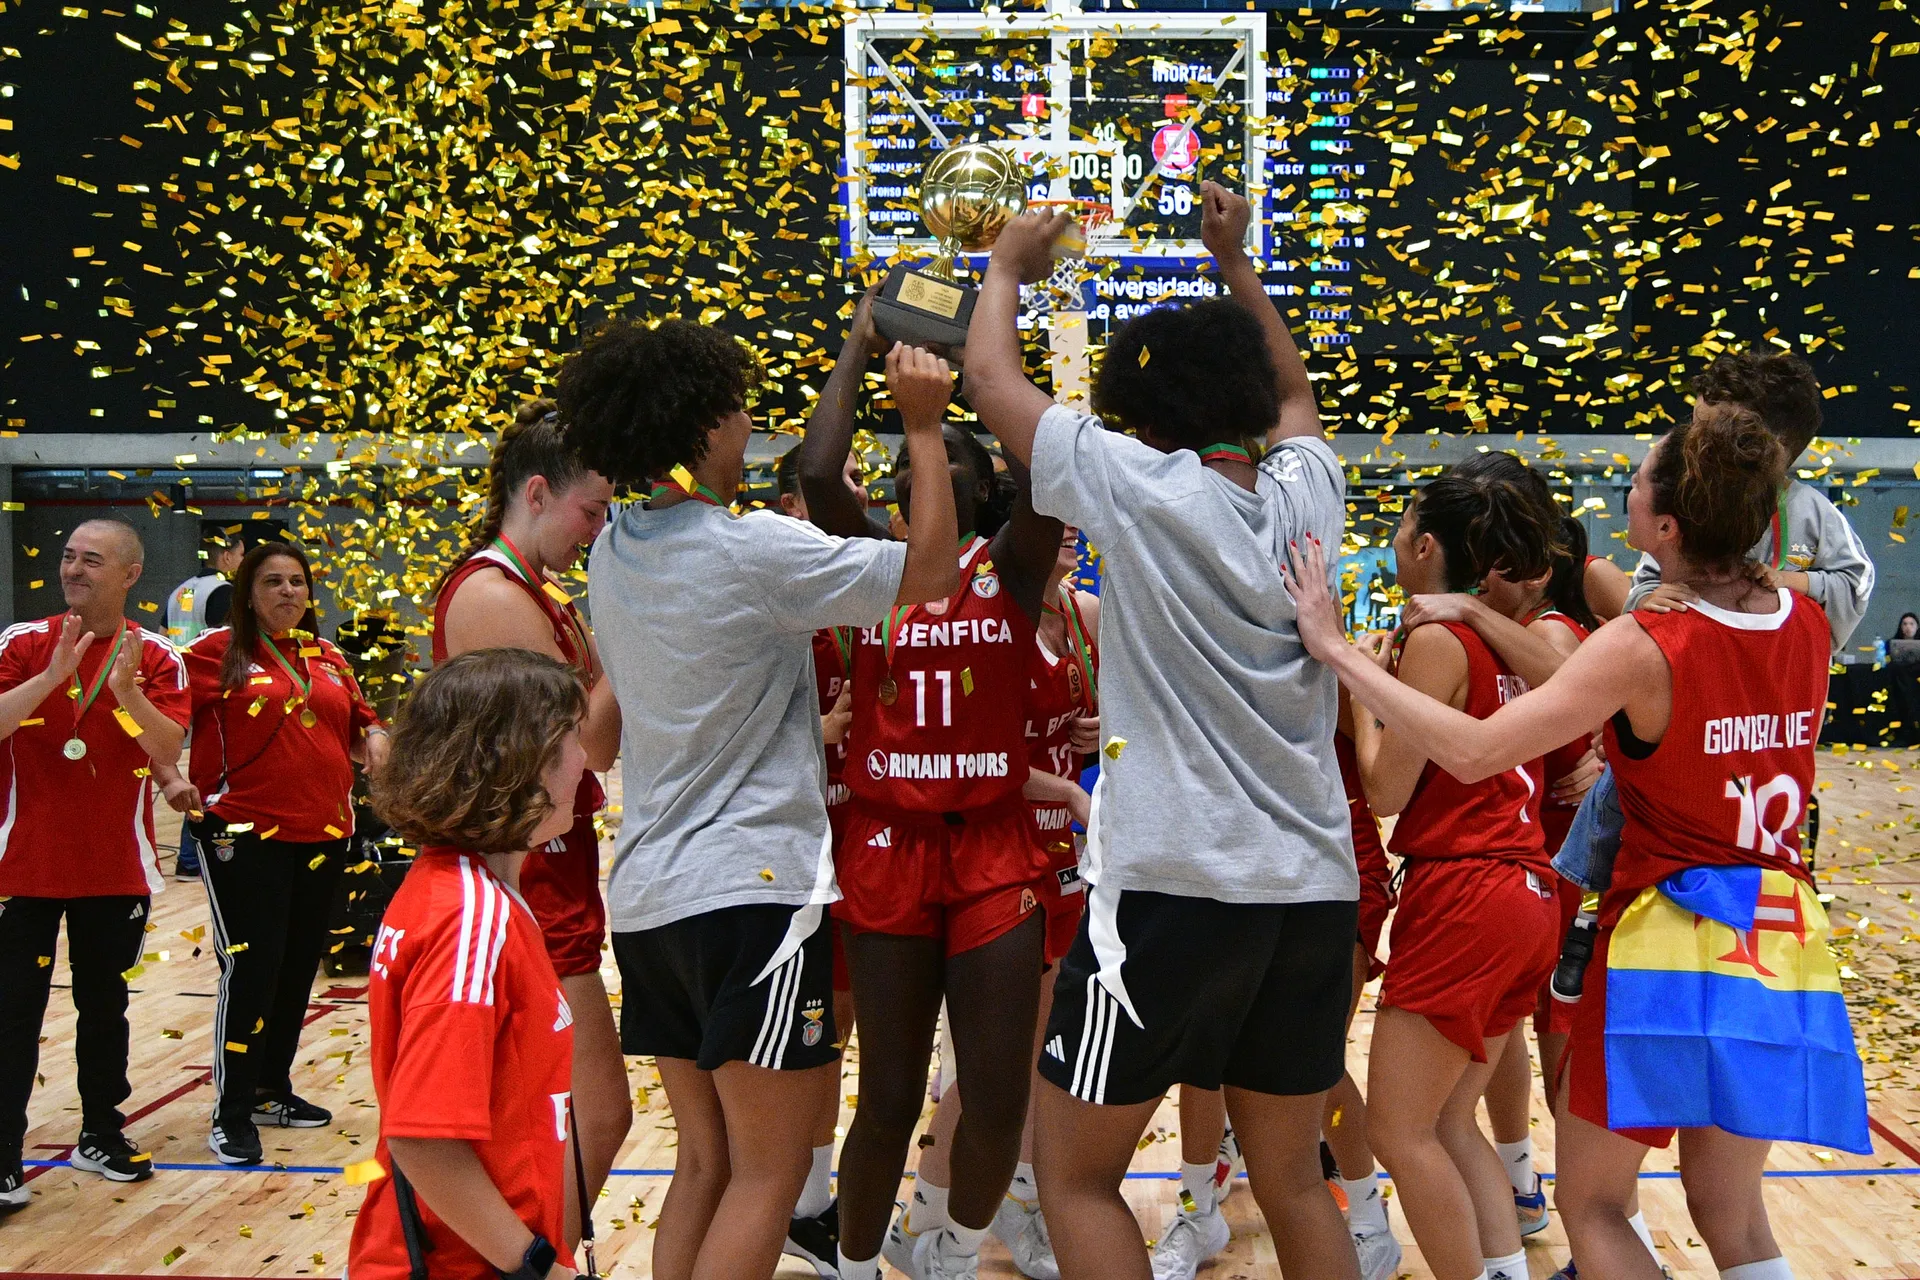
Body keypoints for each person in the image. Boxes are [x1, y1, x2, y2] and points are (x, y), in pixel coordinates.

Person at [1286, 401, 1872, 1280]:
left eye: (1640, 477)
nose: (1626, 484)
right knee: (1733, 1212)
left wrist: (1341, 654)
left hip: (1674, 934)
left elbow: (1475, 749)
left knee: (1593, 1205)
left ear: (1666, 524)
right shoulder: (1804, 620)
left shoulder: (1648, 640)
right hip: (1784, 932)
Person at [963, 184, 1363, 1280]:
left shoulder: (1139, 483)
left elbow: (993, 379)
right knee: (1290, 1178)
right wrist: (1236, 266)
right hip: (1313, 889)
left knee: (1077, 1175)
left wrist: (1003, 266)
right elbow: (1296, 395)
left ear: (1148, 421)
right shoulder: (1307, 492)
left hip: (1175, 888)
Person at [566, 318, 961, 1280]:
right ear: (703, 429)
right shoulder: (752, 552)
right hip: (752, 897)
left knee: (705, 1164)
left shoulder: (613, 548)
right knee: (769, 1176)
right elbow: (934, 574)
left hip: (653, 896)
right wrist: (921, 428)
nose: (750, 426)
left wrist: (857, 347)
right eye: (738, 410)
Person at [797, 287, 1064, 1280]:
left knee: (998, 1094)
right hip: (887, 844)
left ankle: (945, 1243)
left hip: (992, 840)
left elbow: (1046, 465)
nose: (932, 462)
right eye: (921, 456)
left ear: (979, 487)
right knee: (893, 1090)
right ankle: (858, 1264)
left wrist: (992, 355)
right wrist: (863, 341)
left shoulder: (1012, 565)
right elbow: (819, 467)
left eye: (953, 456)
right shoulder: (868, 568)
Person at [1398, 464, 1607, 1246]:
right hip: (1524, 879)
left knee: (1414, 1127)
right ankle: (1520, 1229)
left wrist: (1354, 683)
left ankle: (1585, 1234)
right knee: (1460, 1109)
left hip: (1491, 880)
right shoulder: (1498, 635)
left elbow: (1388, 786)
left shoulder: (1475, 635)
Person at [432, 399, 629, 1207]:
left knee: (566, 1112)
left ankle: (535, 1249)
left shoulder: (533, 588)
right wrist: (640, 624)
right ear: (539, 492)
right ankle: (536, 1255)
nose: (599, 529)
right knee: (598, 1110)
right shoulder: (493, 595)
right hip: (528, 872)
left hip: (556, 859)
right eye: (593, 510)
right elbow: (598, 743)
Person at [347, 648, 590, 1280]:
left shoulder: (476, 892)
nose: (585, 758)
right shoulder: (469, 919)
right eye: (569, 737)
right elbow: (423, 1137)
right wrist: (538, 1268)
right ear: (516, 763)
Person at [156, 541, 388, 1165]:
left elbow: (363, 724)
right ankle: (231, 1112)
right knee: (251, 968)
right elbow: (160, 725)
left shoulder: (328, 656)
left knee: (295, 966)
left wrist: (380, 740)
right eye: (273, 582)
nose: (288, 592)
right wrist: (168, 777)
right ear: (247, 594)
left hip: (324, 833)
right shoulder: (213, 656)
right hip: (241, 835)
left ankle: (271, 1088)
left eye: (297, 582)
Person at [0, 520, 189, 1206]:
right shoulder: (22, 643)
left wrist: (127, 692)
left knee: (104, 1008)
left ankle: (101, 1133)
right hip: (21, 866)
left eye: (92, 560)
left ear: (131, 574)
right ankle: (2, 1154)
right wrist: (52, 677)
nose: (74, 569)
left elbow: (167, 744)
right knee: (11, 1013)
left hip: (115, 867)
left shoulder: (158, 655)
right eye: (68, 556)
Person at [771, 442, 866, 1275]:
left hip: (874, 845)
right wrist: (821, 733)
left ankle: (815, 1196)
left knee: (851, 1027)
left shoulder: (867, 594)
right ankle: (800, 1202)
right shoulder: (774, 597)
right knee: (817, 1036)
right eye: (831, 497)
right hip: (798, 852)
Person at [1626, 351, 1873, 654]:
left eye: (1713, 434)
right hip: (1700, 661)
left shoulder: (1814, 512)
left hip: (1782, 669)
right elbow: (1648, 580)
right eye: (1695, 428)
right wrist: (1645, 598)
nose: (1693, 444)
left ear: (1770, 448)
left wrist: (1790, 580)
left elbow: (1855, 583)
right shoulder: (1689, 501)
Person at [167, 533, 244, 881]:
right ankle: (193, 857)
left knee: (206, 776)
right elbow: (225, 642)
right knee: (216, 777)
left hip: (178, 688)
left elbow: (163, 634)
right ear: (226, 556)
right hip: (212, 690)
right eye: (241, 554)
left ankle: (191, 857)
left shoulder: (179, 592)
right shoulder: (222, 592)